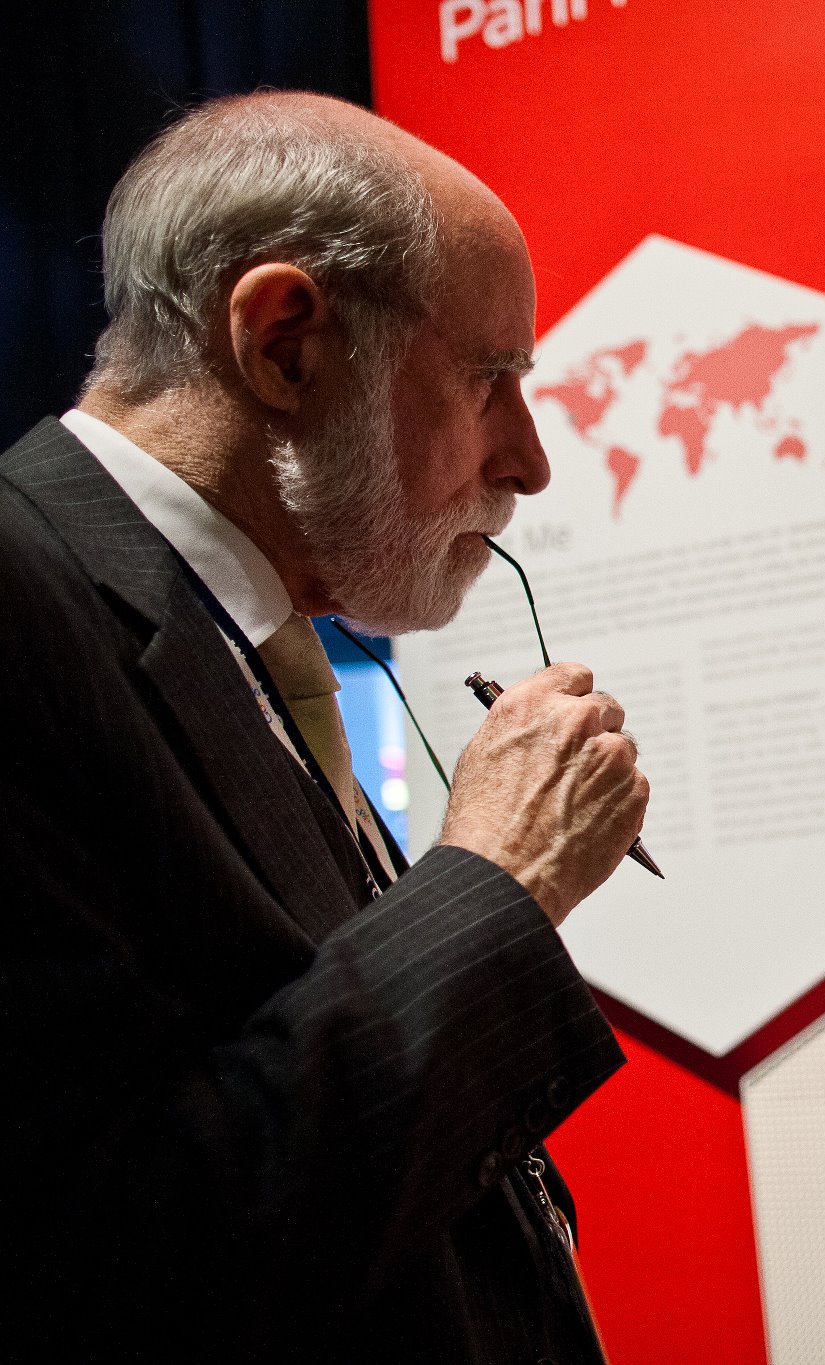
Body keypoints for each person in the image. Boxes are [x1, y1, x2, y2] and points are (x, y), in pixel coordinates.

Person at [0, 93, 650, 1361]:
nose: (529, 460)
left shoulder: (247, 636)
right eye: (491, 381)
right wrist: (494, 881)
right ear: (286, 343)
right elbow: (121, 1258)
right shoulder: (23, 605)